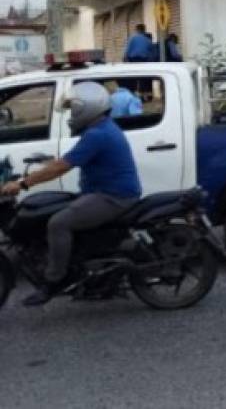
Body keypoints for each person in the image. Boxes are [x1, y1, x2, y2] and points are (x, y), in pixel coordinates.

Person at [1, 82, 142, 306]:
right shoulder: (101, 129)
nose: (71, 114)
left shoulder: (97, 134)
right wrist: (41, 165)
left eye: (73, 108)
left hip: (113, 197)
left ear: (87, 108)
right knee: (54, 207)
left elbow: (62, 167)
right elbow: (68, 160)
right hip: (100, 192)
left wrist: (22, 183)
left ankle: (56, 279)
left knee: (58, 223)